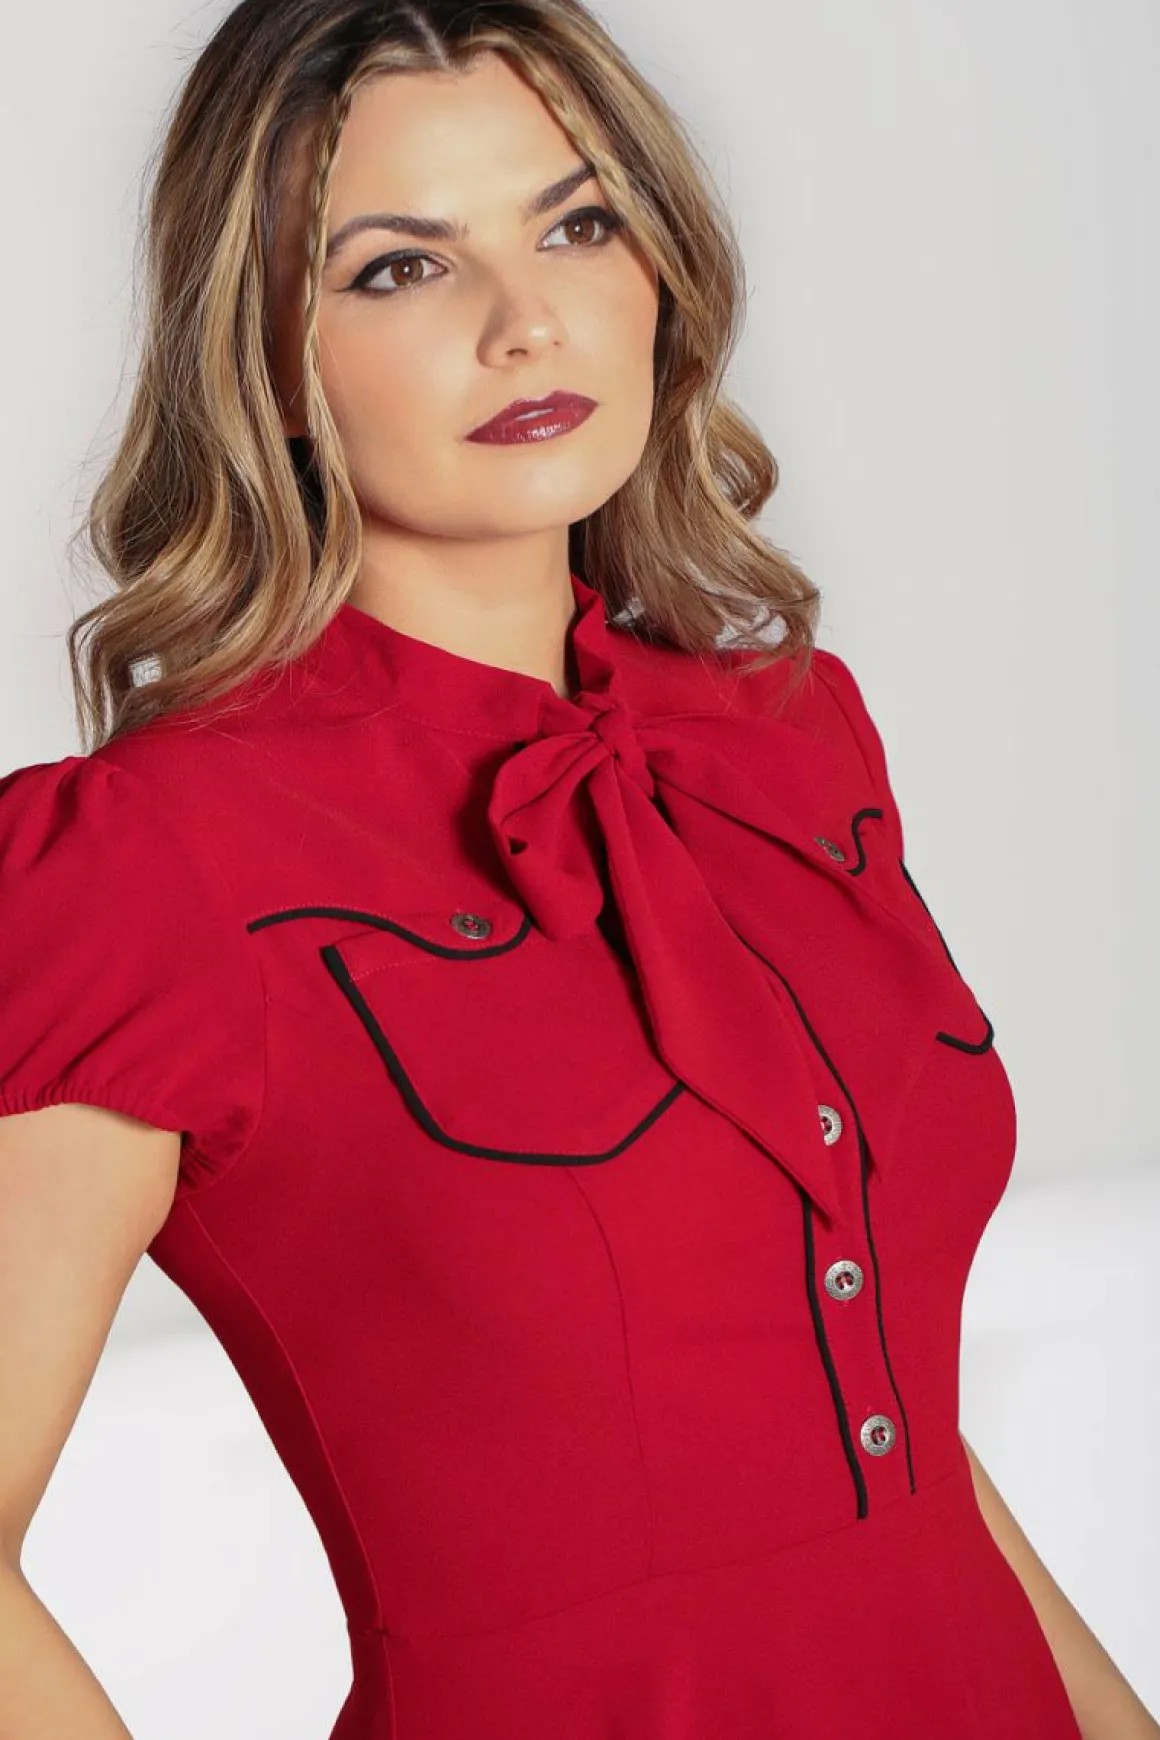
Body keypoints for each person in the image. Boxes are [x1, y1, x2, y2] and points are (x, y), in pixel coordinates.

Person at [0, 2, 1152, 1737]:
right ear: (270, 358)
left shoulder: (790, 740)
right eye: (400, 267)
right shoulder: (146, 864)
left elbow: (899, 1446)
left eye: (578, 223)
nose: (523, 318)